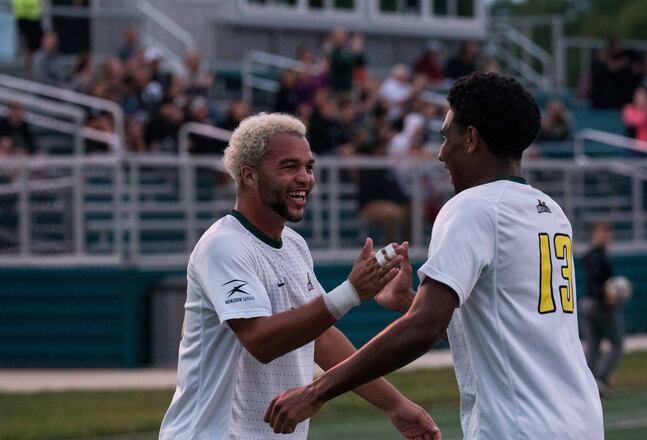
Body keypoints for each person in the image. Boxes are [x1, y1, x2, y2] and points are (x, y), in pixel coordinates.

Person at [264, 73, 604, 439]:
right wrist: (410, 301)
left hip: (521, 427)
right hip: (580, 418)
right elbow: (509, 328)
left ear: (471, 139)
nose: (441, 153)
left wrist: (317, 391)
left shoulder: (472, 207)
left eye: (446, 136)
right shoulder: (551, 211)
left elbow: (422, 328)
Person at [159, 113, 439, 440]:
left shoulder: (293, 243)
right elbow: (260, 341)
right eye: (289, 167)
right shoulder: (223, 245)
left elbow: (319, 337)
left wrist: (394, 404)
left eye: (309, 166)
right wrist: (350, 292)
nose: (305, 178)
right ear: (249, 176)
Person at [581, 221, 624, 398]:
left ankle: (587, 384)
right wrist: (610, 296)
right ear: (594, 235)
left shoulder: (595, 255)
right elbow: (597, 284)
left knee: (594, 345)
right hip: (598, 305)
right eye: (601, 233)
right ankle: (600, 378)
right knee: (617, 343)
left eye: (607, 233)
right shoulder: (596, 256)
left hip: (589, 304)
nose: (605, 236)